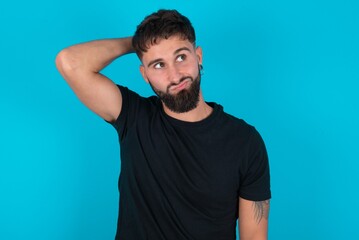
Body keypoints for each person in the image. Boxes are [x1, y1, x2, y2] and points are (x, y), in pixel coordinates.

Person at [56, 9, 271, 240]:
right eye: (158, 64)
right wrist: (140, 43)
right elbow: (69, 62)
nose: (175, 75)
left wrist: (154, 46)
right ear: (145, 75)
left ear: (198, 57)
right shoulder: (134, 116)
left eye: (180, 57)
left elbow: (255, 237)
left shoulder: (245, 141)